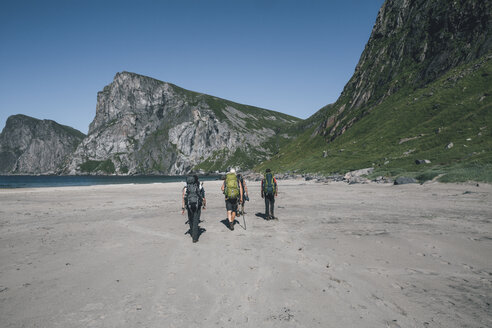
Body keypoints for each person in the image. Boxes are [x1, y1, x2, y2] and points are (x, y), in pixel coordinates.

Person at [182, 175, 206, 243]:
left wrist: (183, 207)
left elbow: (184, 197)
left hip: (189, 205)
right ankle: (195, 238)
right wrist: (204, 204)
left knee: (190, 219)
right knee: (196, 220)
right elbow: (203, 196)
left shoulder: (187, 187)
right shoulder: (199, 186)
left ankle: (192, 232)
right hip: (197, 205)